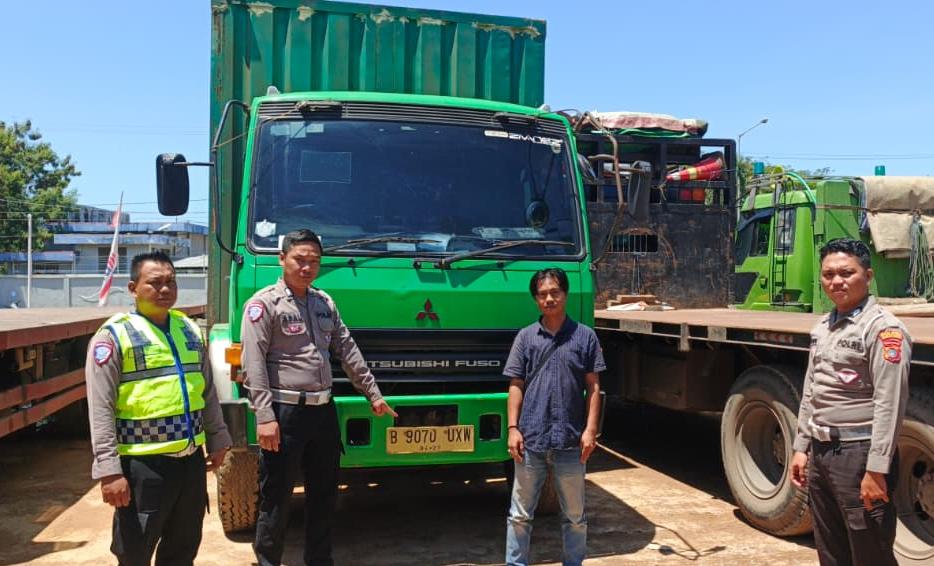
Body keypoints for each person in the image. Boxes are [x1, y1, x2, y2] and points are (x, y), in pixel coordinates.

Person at [240, 228, 397, 566]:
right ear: (282, 259)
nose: (307, 267)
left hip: (323, 413)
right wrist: (264, 418)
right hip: (285, 415)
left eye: (314, 261)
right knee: (277, 501)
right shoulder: (262, 305)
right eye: (300, 260)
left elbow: (347, 349)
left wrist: (373, 394)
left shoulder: (324, 302)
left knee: (324, 498)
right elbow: (252, 365)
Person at [85, 251, 232, 565]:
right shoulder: (113, 336)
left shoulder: (188, 329)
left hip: (190, 463)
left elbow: (206, 391)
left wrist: (218, 438)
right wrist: (109, 471)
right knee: (135, 551)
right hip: (143, 467)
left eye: (171, 282)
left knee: (183, 547)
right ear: (133, 288)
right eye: (155, 283)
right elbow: (100, 409)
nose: (165, 289)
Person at [790, 238, 911, 566]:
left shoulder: (884, 330)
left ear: (868, 276)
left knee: (869, 549)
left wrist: (877, 469)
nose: (836, 281)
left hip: (859, 457)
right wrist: (801, 446)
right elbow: (812, 390)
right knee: (831, 547)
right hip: (822, 452)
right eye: (828, 274)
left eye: (846, 273)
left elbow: (891, 402)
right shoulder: (824, 327)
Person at [504, 267, 605, 566]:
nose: (549, 299)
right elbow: (515, 385)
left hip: (571, 441)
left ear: (565, 294)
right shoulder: (525, 338)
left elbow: (594, 387)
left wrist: (590, 430)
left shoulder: (585, 337)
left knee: (575, 517)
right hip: (530, 439)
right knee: (520, 515)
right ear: (536, 299)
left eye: (554, 292)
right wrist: (513, 428)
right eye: (543, 294)